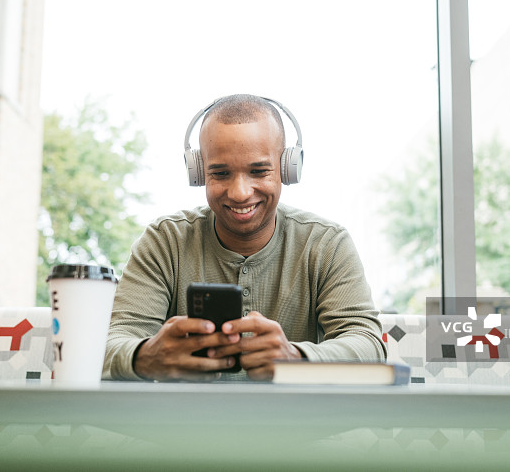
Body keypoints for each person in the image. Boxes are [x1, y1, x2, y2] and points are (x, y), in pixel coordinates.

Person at [103, 94, 385, 381]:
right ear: (199, 173)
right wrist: (146, 356)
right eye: (221, 173)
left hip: (294, 425)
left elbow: (369, 345)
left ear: (287, 169)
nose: (240, 192)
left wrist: (296, 359)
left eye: (259, 171)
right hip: (183, 424)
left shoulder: (327, 244)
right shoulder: (164, 242)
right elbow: (109, 343)